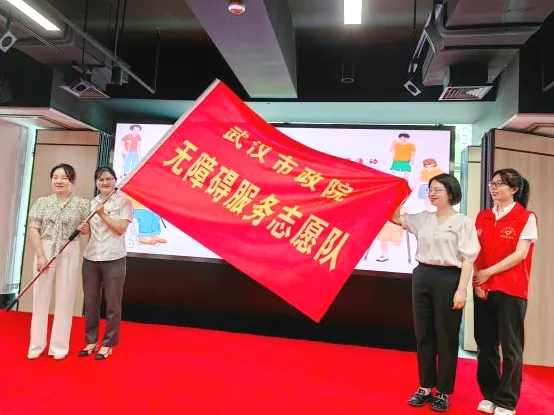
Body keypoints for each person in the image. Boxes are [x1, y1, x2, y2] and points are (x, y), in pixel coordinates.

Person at [391, 173, 480, 412]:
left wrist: (461, 290)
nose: (432, 193)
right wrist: (401, 193)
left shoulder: (463, 222)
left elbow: (469, 258)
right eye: (430, 189)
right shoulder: (422, 218)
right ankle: (425, 386)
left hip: (449, 278)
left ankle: (443, 391)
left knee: (446, 335)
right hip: (422, 276)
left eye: (438, 189)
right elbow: (394, 217)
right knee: (424, 333)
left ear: (451, 193)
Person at [473, 169, 537, 415]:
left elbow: (520, 254)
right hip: (483, 287)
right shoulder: (483, 216)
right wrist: (478, 281)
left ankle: (507, 401)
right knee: (485, 344)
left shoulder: (526, 217)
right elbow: (475, 251)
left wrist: (488, 273)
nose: (494, 187)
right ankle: (489, 394)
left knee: (511, 347)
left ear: (514, 189)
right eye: (493, 183)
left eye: (500, 184)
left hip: (511, 289)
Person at [26, 164, 90, 360]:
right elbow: (33, 228)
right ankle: (36, 345)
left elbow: (87, 230)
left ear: (72, 181)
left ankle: (59, 347)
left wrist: (85, 229)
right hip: (44, 249)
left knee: (65, 297)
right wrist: (40, 255)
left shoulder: (82, 204)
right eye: (55, 177)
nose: (59, 181)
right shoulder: (42, 202)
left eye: (64, 177)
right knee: (40, 297)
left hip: (69, 249)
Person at [77, 167, 134, 360]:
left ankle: (108, 344)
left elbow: (120, 229)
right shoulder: (92, 203)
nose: (105, 182)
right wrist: (84, 229)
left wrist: (103, 214)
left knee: (112, 304)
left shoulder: (124, 203)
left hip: (114, 258)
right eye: (101, 179)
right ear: (96, 182)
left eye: (109, 179)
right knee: (91, 302)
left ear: (115, 180)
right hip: (91, 257)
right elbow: (91, 232)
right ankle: (91, 340)